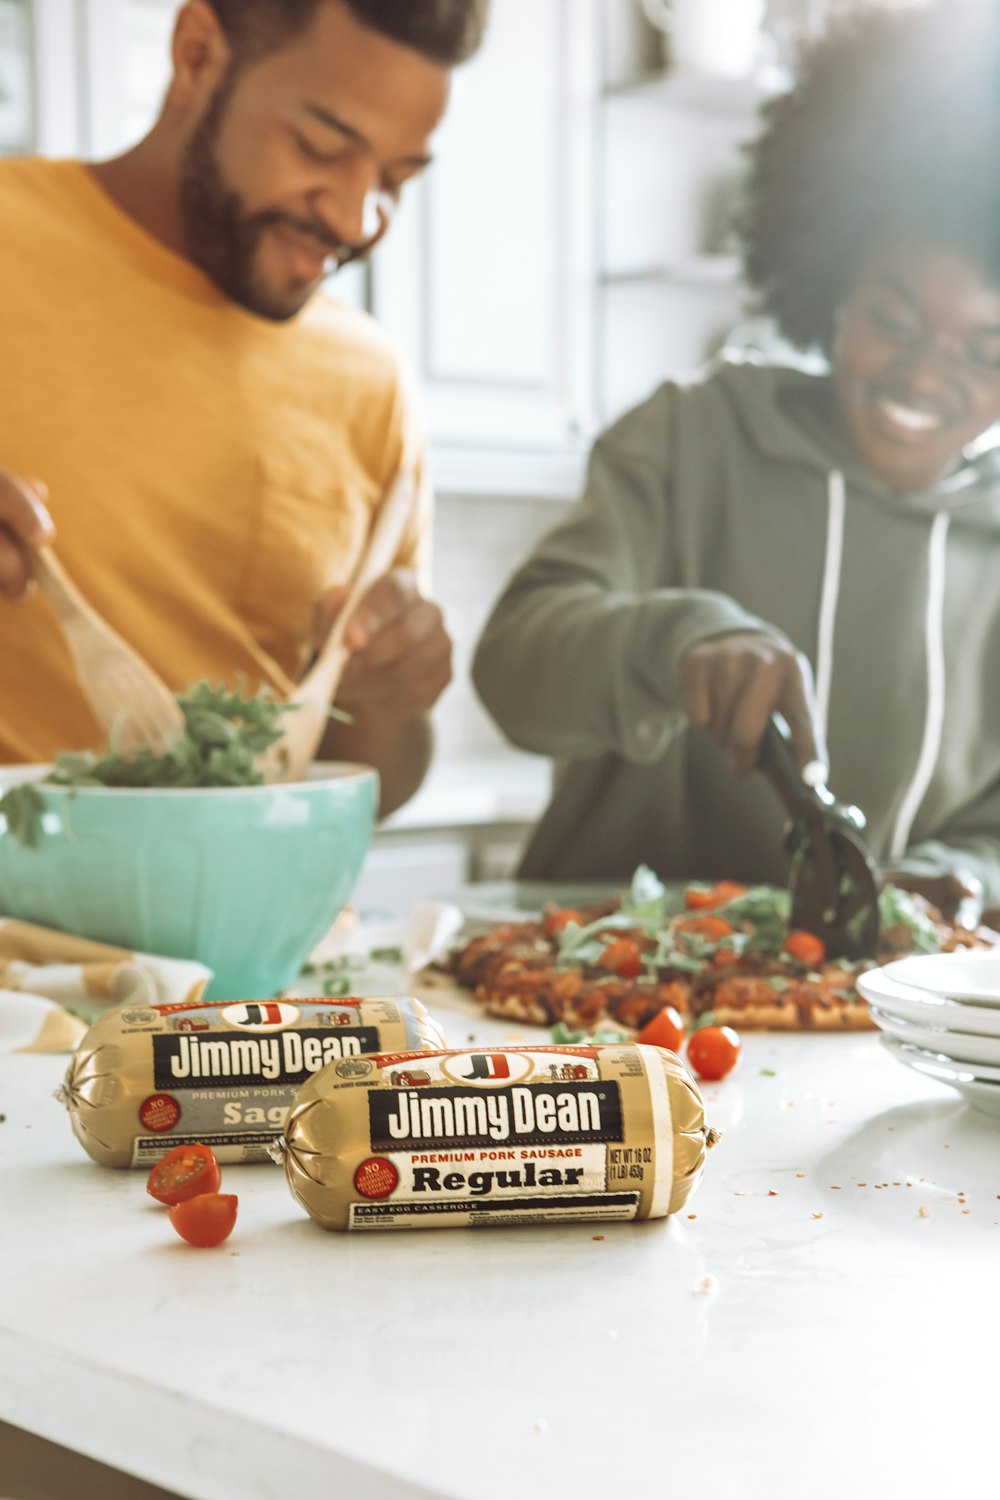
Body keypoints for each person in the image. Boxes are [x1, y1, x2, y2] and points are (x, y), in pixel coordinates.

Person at [473, 0, 1000, 922]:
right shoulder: (691, 437)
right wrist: (679, 644)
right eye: (893, 319)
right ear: (833, 285)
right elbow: (515, 667)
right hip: (603, 992)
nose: (925, 373)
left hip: (863, 1017)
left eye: (985, 351)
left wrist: (959, 875)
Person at [0, 0, 491, 816]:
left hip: (245, 938)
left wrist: (389, 694)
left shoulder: (372, 388)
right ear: (197, 55)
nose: (356, 216)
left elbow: (372, 782)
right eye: (322, 148)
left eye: (396, 180)